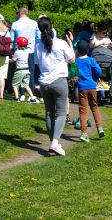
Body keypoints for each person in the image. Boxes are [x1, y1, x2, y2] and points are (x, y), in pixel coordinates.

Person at [35, 16, 76, 156]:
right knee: (61, 112)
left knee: (49, 113)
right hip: (59, 81)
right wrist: (70, 43)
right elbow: (71, 60)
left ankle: (54, 142)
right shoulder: (61, 43)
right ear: (51, 26)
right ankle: (55, 142)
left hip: (44, 82)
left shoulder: (38, 45)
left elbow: (37, 63)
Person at [75, 39, 105, 142]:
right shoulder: (91, 60)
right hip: (92, 86)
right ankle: (100, 128)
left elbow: (73, 74)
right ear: (87, 50)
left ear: (77, 51)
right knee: (95, 107)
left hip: (82, 88)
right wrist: (95, 77)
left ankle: (84, 133)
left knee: (83, 111)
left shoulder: (76, 61)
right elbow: (99, 71)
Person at [11, 7, 40, 94]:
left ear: (19, 13)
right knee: (30, 72)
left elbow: (12, 39)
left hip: (19, 51)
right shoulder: (34, 23)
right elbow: (38, 37)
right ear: (26, 13)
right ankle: (32, 93)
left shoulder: (15, 24)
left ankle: (22, 93)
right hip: (30, 51)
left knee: (19, 72)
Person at [11, 36, 38, 103]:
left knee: (14, 84)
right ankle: (32, 98)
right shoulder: (27, 52)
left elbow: (12, 61)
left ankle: (17, 98)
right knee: (26, 85)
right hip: (26, 70)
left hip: (19, 70)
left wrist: (9, 59)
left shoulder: (17, 52)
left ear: (18, 45)